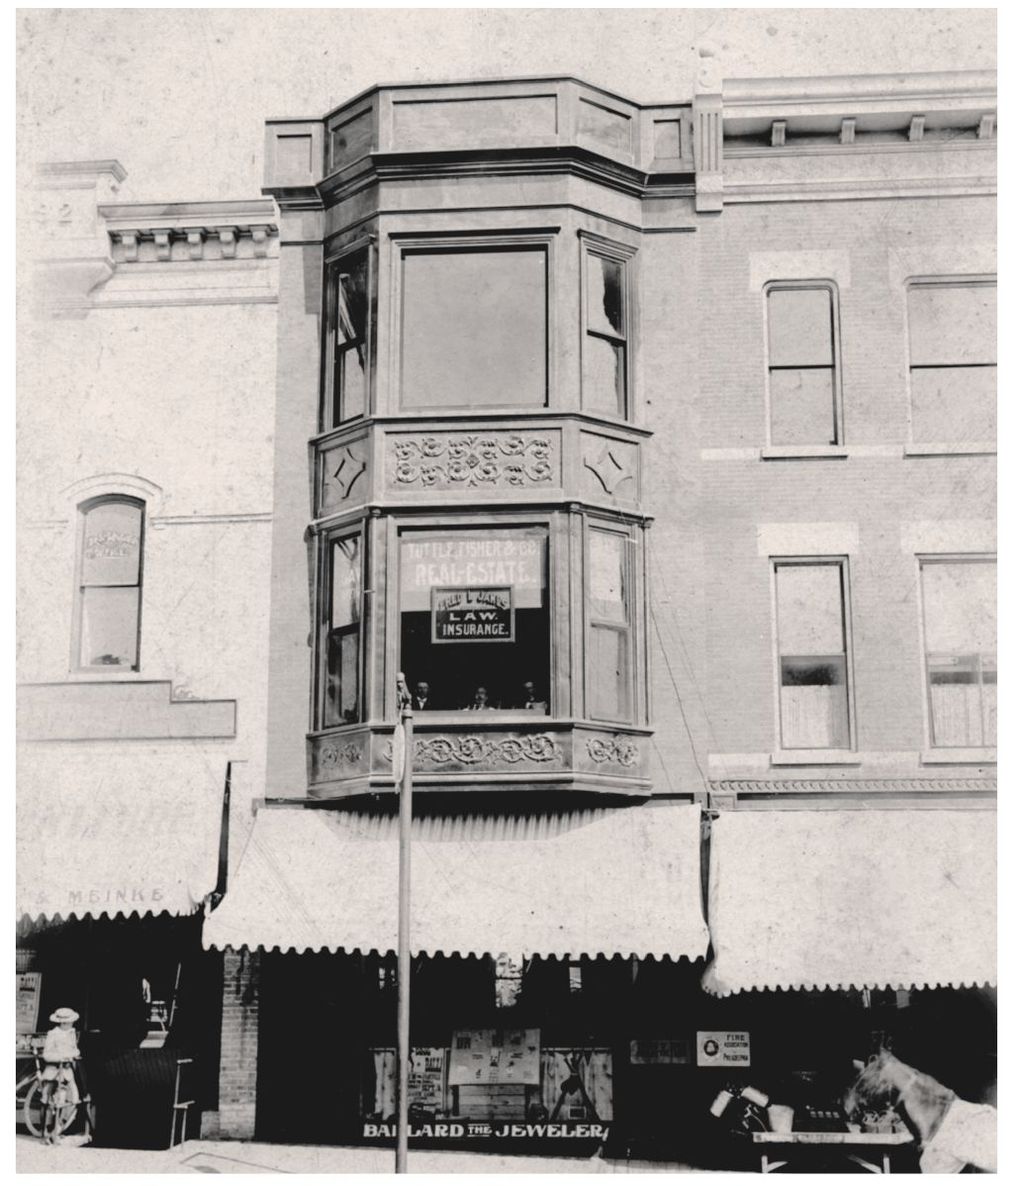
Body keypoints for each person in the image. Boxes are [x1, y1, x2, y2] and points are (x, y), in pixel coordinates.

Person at [40, 1007, 88, 1140]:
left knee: (73, 1099)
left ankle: (59, 1127)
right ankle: (47, 1131)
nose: (72, 1024)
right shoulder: (53, 1034)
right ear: (63, 1022)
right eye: (70, 1021)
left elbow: (75, 1050)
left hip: (67, 1071)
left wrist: (71, 1055)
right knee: (48, 1101)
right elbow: (47, 1055)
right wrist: (61, 1056)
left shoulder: (72, 1033)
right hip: (53, 1071)